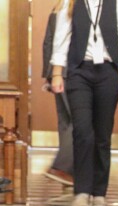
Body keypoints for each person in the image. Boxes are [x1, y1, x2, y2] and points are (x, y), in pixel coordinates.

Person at [50, 0, 118, 206]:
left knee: (102, 135)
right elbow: (61, 39)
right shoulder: (70, 4)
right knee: (82, 131)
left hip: (107, 72)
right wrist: (56, 74)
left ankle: (99, 192)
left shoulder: (116, 4)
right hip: (79, 72)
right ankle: (81, 191)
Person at [42, 1, 75, 187]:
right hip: (72, 71)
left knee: (65, 122)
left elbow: (48, 42)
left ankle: (67, 172)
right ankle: (62, 167)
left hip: (57, 71)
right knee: (77, 120)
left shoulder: (58, 8)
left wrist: (49, 74)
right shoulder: (75, 9)